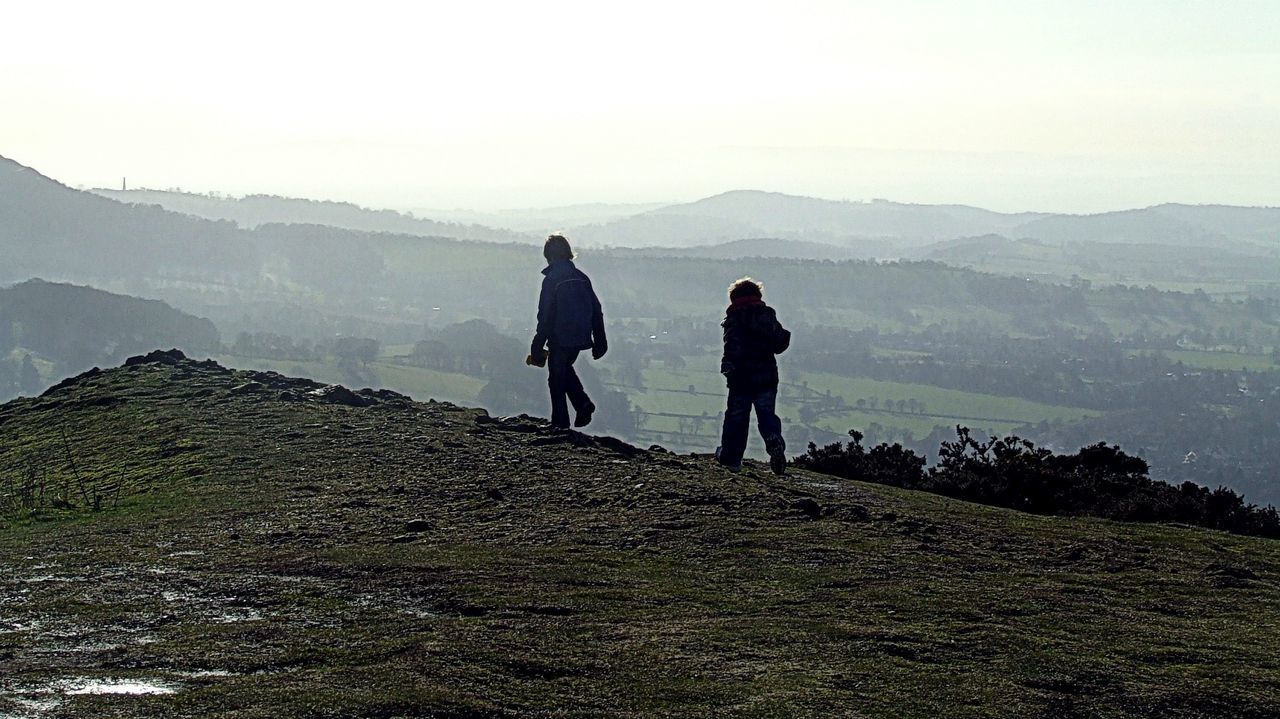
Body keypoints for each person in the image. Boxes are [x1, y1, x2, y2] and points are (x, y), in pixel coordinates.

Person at [529, 234, 607, 429]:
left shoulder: (552, 280)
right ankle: (582, 405)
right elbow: (596, 310)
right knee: (562, 371)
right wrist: (600, 341)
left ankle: (561, 424)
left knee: (556, 379)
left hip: (560, 336)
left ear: (549, 256)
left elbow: (545, 315)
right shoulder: (582, 278)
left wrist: (537, 344)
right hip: (580, 336)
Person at [715, 277, 791, 474]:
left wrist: (728, 364)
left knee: (736, 418)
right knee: (767, 415)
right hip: (767, 377)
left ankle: (731, 458)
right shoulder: (767, 316)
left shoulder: (734, 319)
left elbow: (732, 346)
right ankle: (774, 441)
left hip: (741, 379)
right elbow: (780, 343)